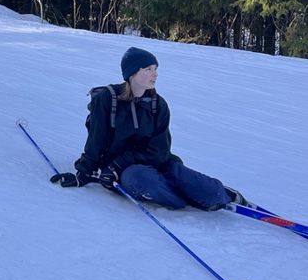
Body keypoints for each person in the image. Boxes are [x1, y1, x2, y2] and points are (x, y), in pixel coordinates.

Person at [50, 47, 249, 210]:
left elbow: (160, 150)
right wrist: (82, 174)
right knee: (141, 180)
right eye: (148, 69)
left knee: (208, 192)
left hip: (158, 162)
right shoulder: (107, 99)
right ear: (132, 73)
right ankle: (184, 200)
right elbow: (96, 140)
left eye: (155, 69)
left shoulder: (158, 104)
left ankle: (225, 194)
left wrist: (118, 164)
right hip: (126, 172)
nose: (155, 74)